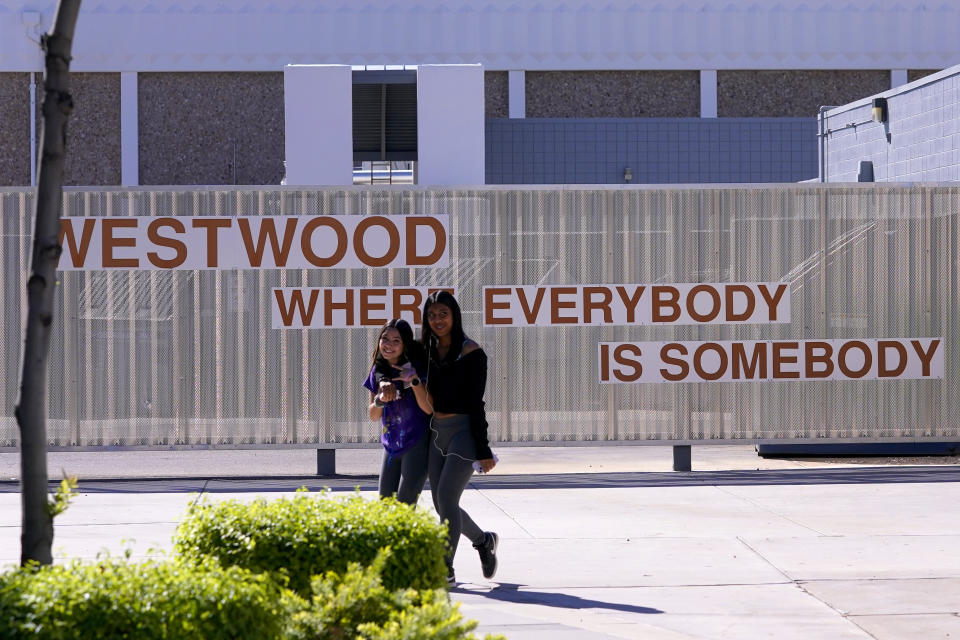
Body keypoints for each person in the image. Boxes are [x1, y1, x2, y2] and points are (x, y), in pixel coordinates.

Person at [421, 290, 499, 584]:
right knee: (443, 505)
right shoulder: (424, 352)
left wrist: (484, 450)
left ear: (454, 316)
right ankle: (483, 541)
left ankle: (445, 569)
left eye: (443, 314)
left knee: (446, 498)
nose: (437, 320)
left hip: (464, 434)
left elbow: (476, 403)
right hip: (436, 433)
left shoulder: (472, 353)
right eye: (432, 315)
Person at [364, 319, 432, 505]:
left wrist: (413, 381)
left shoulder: (416, 366)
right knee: (385, 505)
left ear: (405, 344)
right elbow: (372, 415)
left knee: (405, 506)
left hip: (417, 444)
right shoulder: (377, 372)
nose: (389, 345)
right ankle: (484, 537)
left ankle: (481, 537)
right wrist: (380, 399)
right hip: (391, 446)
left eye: (396, 341)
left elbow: (428, 409)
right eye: (385, 339)